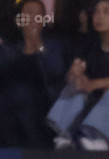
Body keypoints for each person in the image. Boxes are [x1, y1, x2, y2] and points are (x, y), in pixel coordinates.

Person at [46, 0, 109, 150]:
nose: (99, 16)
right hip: (97, 108)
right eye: (96, 11)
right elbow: (73, 77)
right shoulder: (89, 46)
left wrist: (91, 84)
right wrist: (75, 75)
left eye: (106, 12)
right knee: (77, 87)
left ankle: (99, 139)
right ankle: (64, 135)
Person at [0, 0, 66, 148]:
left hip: (44, 103)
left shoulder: (53, 46)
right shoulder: (10, 50)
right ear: (19, 21)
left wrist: (39, 46)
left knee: (23, 97)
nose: (32, 18)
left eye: (37, 14)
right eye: (28, 13)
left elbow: (56, 70)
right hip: (10, 106)